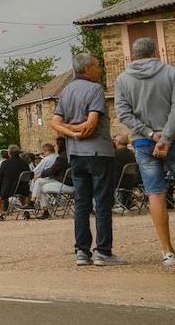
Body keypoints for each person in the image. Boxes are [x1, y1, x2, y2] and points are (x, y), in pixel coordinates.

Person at [114, 37, 175, 268]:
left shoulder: (122, 79)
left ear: (134, 55)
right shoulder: (170, 72)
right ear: (155, 52)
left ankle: (168, 252)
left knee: (155, 193)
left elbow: (124, 114)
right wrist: (167, 136)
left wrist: (151, 135)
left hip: (143, 142)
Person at [51, 52, 124, 266]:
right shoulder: (95, 90)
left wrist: (69, 131)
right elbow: (91, 125)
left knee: (81, 203)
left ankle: (81, 252)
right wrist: (78, 129)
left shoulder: (65, 91)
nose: (99, 70)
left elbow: (55, 122)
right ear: (87, 69)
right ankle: (103, 251)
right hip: (98, 153)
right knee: (102, 203)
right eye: (97, 66)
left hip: (75, 155)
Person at [34, 140, 73, 218]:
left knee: (40, 187)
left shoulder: (61, 157)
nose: (55, 147)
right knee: (40, 183)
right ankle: (42, 207)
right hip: (73, 182)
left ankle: (45, 211)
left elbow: (52, 170)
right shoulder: (70, 155)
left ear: (60, 146)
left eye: (56, 145)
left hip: (65, 184)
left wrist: (41, 174)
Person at [0, 145, 31, 219]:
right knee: (23, 190)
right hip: (24, 190)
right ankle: (25, 210)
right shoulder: (25, 163)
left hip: (9, 190)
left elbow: (0, 179)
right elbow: (29, 177)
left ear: (9, 153)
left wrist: (2, 184)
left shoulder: (4, 163)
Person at [112, 134, 138, 212]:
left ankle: (114, 204)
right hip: (132, 181)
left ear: (117, 143)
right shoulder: (131, 153)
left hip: (119, 182)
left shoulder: (116, 154)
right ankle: (128, 202)